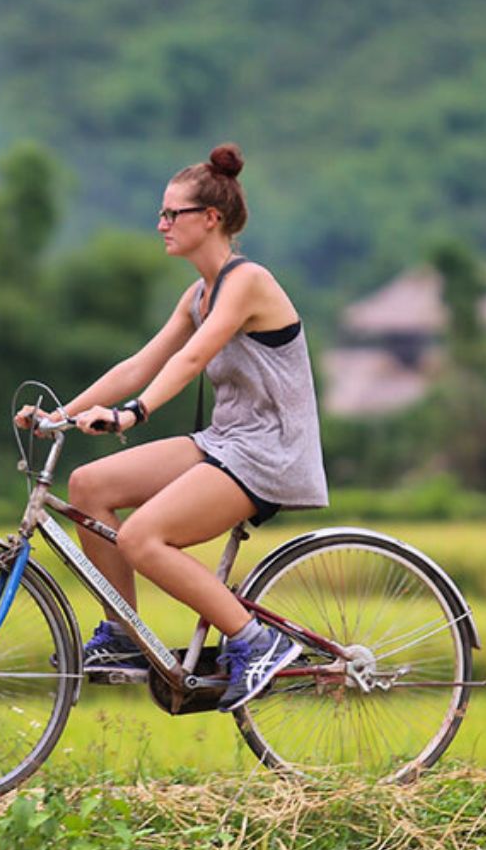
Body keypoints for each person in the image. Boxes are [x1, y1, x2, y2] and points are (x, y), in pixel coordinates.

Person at [17, 143, 328, 711]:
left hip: (268, 452)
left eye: (171, 214)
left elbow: (188, 362)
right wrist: (59, 417)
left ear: (210, 219)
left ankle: (256, 641)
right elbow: (140, 363)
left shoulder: (248, 282)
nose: (160, 224)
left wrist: (133, 414)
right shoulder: (199, 294)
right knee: (89, 487)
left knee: (141, 537)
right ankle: (125, 638)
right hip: (225, 443)